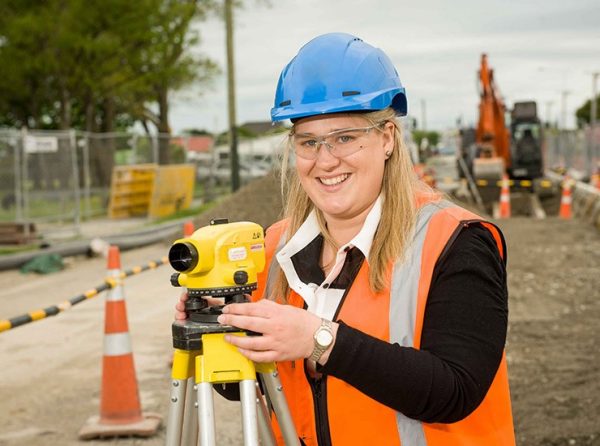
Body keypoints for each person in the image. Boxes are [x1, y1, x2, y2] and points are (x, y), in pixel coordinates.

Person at [176, 32, 515, 446]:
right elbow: (258, 385)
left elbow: (455, 390)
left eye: (344, 138)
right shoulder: (274, 248)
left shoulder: (454, 241)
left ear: (387, 138)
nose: (325, 160)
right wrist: (222, 326)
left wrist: (320, 340)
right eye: (309, 142)